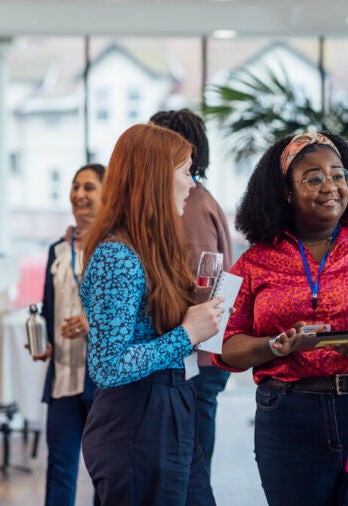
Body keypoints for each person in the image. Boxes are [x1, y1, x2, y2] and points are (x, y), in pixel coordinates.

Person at [214, 132, 348, 506]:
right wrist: (276, 345)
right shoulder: (251, 262)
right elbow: (224, 346)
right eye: (313, 178)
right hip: (290, 419)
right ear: (287, 192)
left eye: (338, 175)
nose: (330, 186)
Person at [80, 123, 224, 506]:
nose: (192, 184)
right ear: (157, 178)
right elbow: (107, 366)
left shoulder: (150, 251)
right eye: (185, 172)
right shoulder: (118, 257)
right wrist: (186, 334)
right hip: (137, 421)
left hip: (169, 409)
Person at [149, 109, 233, 474]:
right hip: (191, 354)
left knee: (188, 474)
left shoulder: (189, 207)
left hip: (193, 359)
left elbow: (200, 288)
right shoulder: (192, 201)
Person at [32, 163, 104, 506]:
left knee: (104, 468)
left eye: (89, 187)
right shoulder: (56, 251)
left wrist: (94, 324)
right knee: (59, 465)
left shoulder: (116, 250)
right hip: (62, 373)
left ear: (108, 194)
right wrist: (43, 340)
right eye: (75, 187)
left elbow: (135, 312)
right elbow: (49, 307)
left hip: (101, 377)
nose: (79, 194)